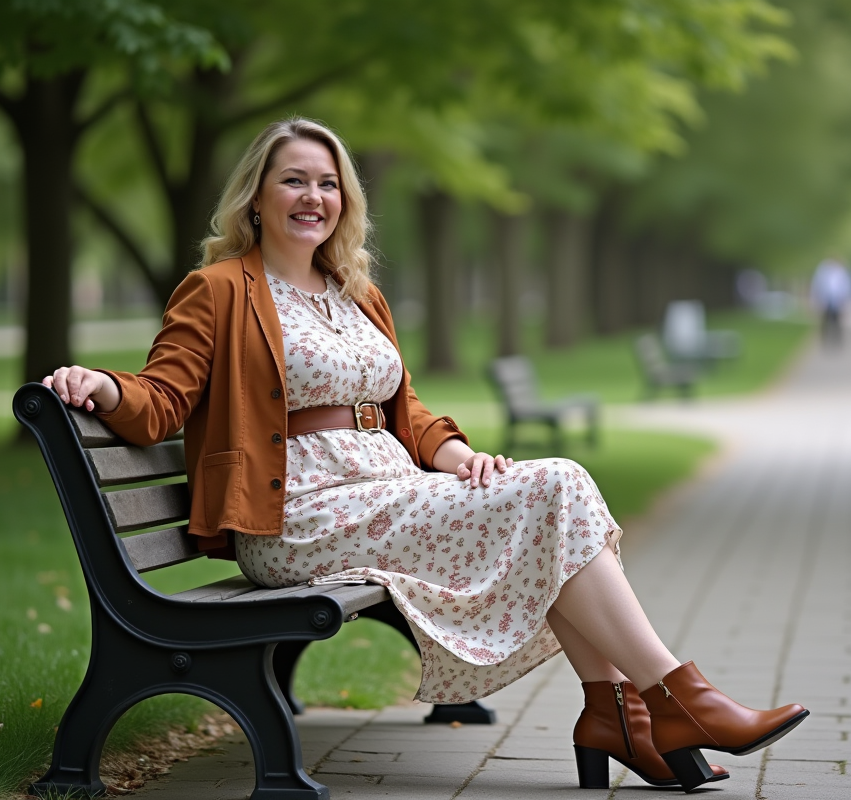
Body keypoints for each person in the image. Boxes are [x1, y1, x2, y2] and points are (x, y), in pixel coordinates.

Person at [42, 118, 807, 793]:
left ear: (345, 200)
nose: (313, 196)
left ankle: (620, 713)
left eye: (328, 183)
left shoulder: (355, 292)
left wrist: (453, 454)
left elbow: (404, 408)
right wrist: (101, 387)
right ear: (256, 197)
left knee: (552, 491)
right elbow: (162, 397)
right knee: (555, 490)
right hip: (296, 516)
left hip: (386, 492)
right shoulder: (218, 291)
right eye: (293, 181)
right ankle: (674, 700)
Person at [809, 256, 851, 348]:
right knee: (825, 321)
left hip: (837, 300)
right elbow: (818, 286)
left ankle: (836, 340)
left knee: (837, 321)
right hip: (826, 300)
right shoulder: (823, 272)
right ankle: (825, 340)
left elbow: (846, 288)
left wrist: (846, 302)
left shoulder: (842, 273)